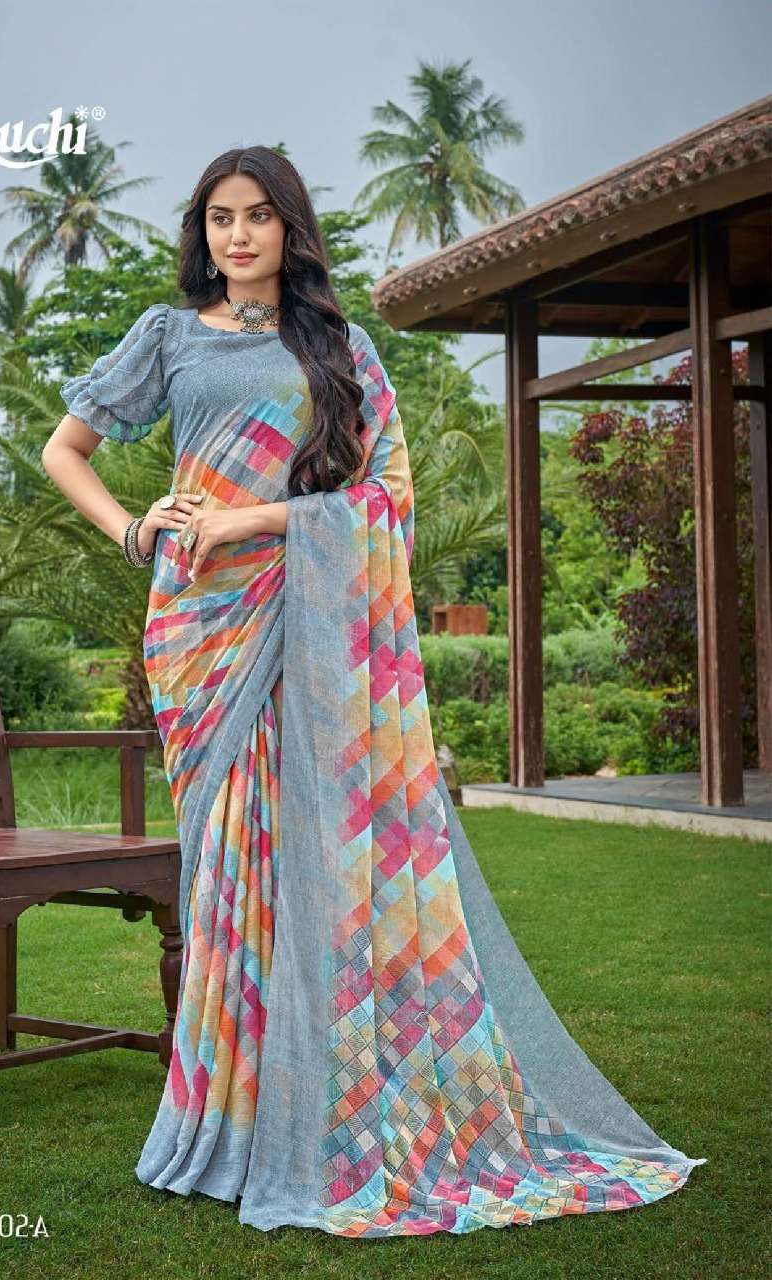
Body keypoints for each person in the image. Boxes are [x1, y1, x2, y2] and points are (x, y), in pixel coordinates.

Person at [41, 146, 706, 1239]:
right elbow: (65, 449)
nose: (237, 236)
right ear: (200, 231)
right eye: (219, 217)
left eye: (258, 216)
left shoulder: (338, 347)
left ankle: (315, 1106)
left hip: (304, 616)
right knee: (225, 869)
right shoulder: (165, 336)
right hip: (199, 631)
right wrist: (132, 529)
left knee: (313, 855)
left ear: (289, 228)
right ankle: (226, 1117)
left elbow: (387, 493)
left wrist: (255, 519)